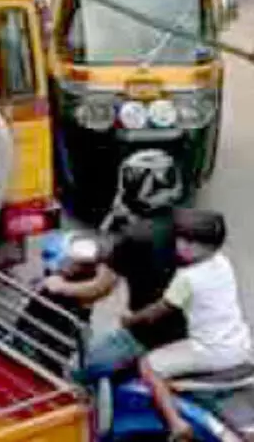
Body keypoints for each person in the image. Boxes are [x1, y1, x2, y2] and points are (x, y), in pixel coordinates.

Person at [46, 151, 187, 385]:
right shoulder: (186, 222)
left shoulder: (135, 237)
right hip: (190, 327)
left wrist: (60, 286)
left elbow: (99, 289)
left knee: (73, 370)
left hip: (149, 335)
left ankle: (93, 417)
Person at [125, 209, 251, 440]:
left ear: (209, 246)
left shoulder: (187, 278)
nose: (181, 245)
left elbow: (156, 312)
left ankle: (176, 423)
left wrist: (130, 319)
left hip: (211, 352)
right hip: (240, 346)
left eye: (190, 242)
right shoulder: (223, 263)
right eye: (180, 238)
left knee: (148, 365)